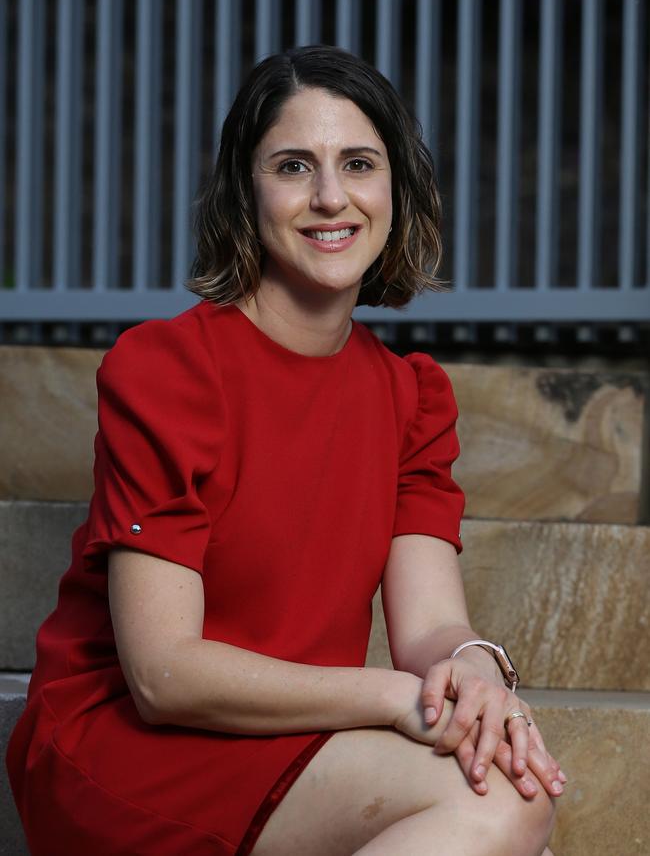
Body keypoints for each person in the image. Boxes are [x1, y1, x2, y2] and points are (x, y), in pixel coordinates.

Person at [6, 45, 564, 855]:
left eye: (360, 163)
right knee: (504, 809)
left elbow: (433, 623)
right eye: (294, 166)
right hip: (131, 749)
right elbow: (164, 677)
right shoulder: (170, 370)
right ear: (246, 192)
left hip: (299, 738)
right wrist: (403, 699)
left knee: (509, 811)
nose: (331, 196)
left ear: (397, 190)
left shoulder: (411, 398)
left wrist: (472, 676)